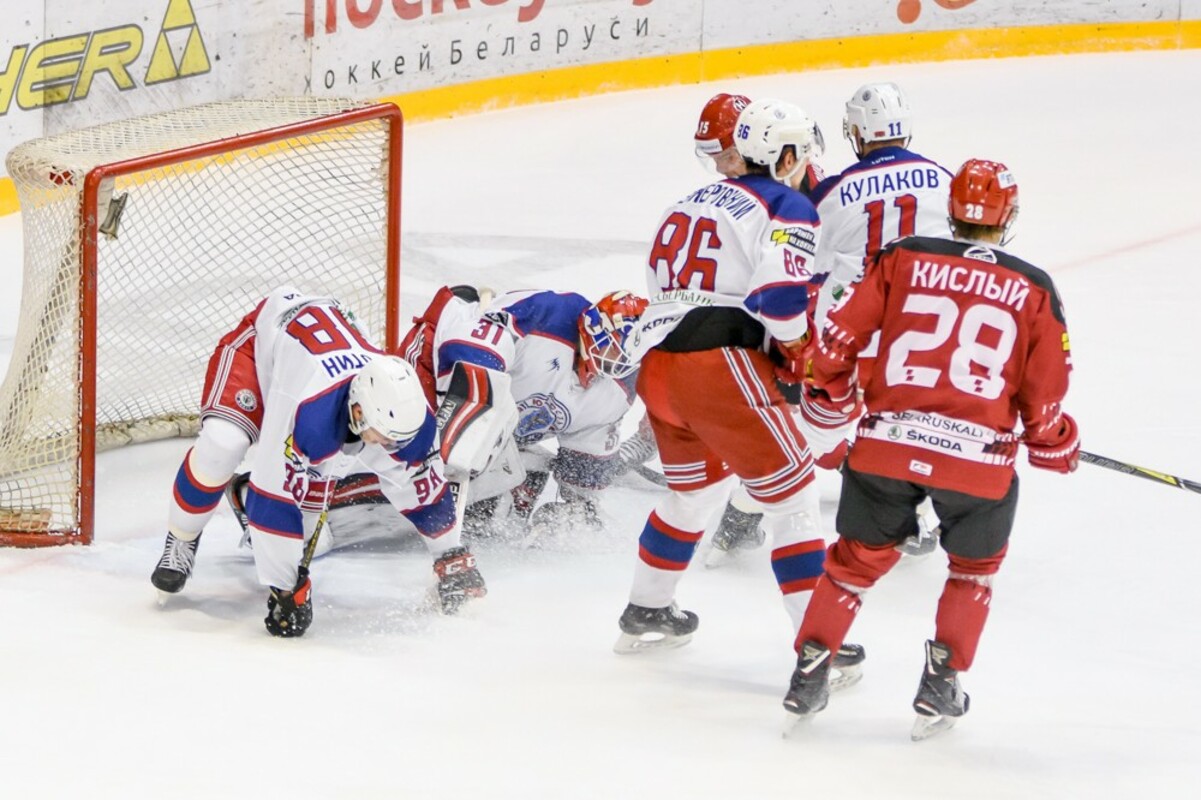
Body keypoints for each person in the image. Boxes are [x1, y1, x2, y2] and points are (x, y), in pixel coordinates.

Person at [781, 159, 1079, 739]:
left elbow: (838, 339)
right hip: (978, 461)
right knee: (972, 570)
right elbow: (1045, 397)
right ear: (1008, 216)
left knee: (851, 564)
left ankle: (810, 666)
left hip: (886, 444)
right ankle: (941, 682)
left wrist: (835, 387)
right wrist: (1054, 442)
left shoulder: (902, 255)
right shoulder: (1035, 286)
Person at [613, 98, 863, 686]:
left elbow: (670, 287)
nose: (805, 164)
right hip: (717, 367)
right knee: (795, 498)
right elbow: (776, 298)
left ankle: (647, 607)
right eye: (800, 152)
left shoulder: (687, 201)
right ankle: (819, 643)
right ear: (781, 155)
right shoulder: (787, 205)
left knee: (695, 496)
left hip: (659, 367)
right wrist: (801, 353)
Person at [152, 286, 486, 636]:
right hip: (259, 350)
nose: (390, 446)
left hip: (316, 369)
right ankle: (182, 536)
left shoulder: (402, 417)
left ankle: (242, 500)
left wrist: (450, 556)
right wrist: (284, 589)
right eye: (384, 437)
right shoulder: (312, 416)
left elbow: (421, 484)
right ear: (357, 412)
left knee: (312, 520)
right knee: (224, 445)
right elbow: (274, 496)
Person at [296, 285, 649, 544]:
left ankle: (448, 510)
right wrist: (474, 422)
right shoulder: (550, 314)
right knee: (415, 453)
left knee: (518, 475)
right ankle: (308, 494)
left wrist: (576, 506)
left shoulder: (618, 391)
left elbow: (584, 467)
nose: (614, 359)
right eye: (611, 342)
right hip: (437, 364)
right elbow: (468, 349)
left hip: (499, 419)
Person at [798, 81, 957, 555]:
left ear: (856, 133)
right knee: (914, 429)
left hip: (846, 338)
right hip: (919, 340)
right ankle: (915, 516)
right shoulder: (945, 181)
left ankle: (743, 512)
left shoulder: (834, 192)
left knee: (813, 424)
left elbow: (807, 264)